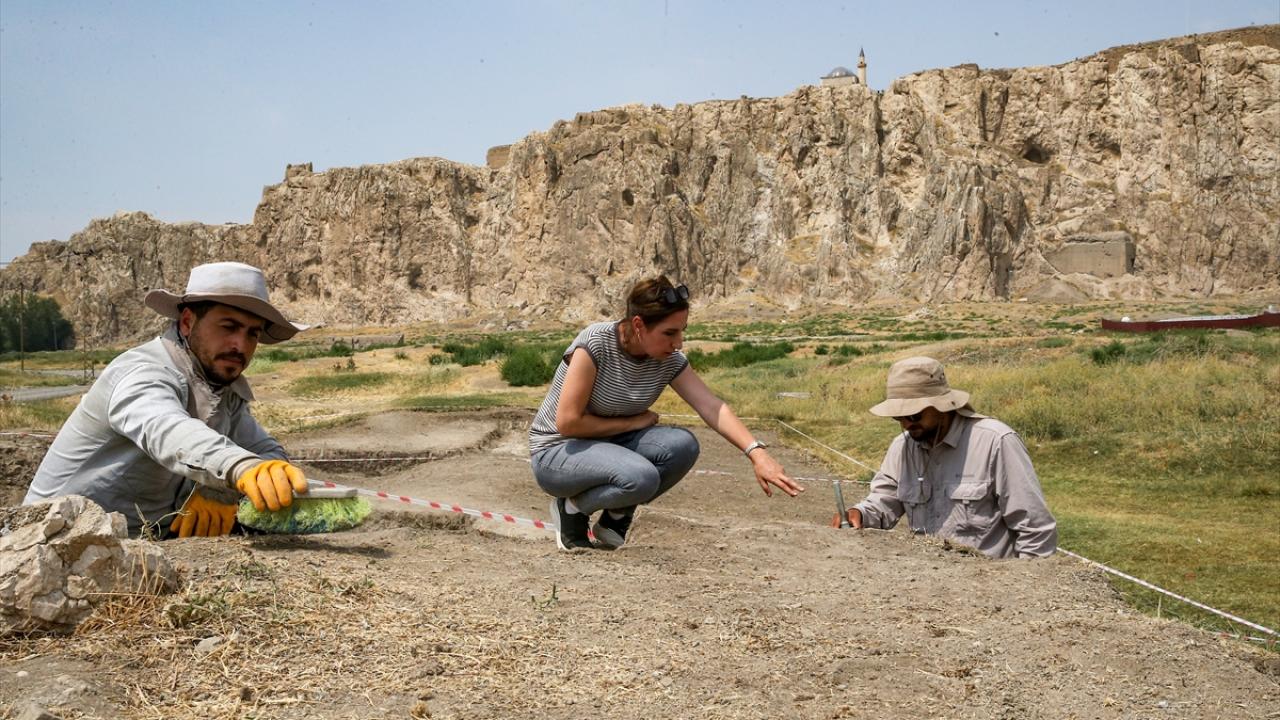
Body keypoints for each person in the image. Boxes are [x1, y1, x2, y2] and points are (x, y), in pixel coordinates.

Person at [25, 261, 313, 538]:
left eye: (253, 333)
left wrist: (219, 490)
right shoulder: (144, 373)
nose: (241, 345)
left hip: (137, 545)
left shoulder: (221, 386)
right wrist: (238, 468)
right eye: (229, 327)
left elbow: (266, 451)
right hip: (51, 542)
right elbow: (169, 431)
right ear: (187, 322)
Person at [529, 276, 804, 551]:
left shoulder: (668, 359)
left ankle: (614, 520)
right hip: (558, 452)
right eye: (670, 333)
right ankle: (572, 510)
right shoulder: (595, 343)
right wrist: (633, 422)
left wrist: (757, 453)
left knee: (683, 446)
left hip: (608, 445)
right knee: (641, 477)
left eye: (682, 331)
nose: (679, 343)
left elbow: (711, 406)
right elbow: (568, 423)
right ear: (638, 325)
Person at [832, 356, 1057, 559]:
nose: (907, 423)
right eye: (898, 417)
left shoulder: (996, 442)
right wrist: (860, 513)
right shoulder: (902, 447)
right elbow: (884, 500)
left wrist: (1024, 588)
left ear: (942, 405)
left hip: (990, 588)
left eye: (914, 414)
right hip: (930, 588)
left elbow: (1035, 530)